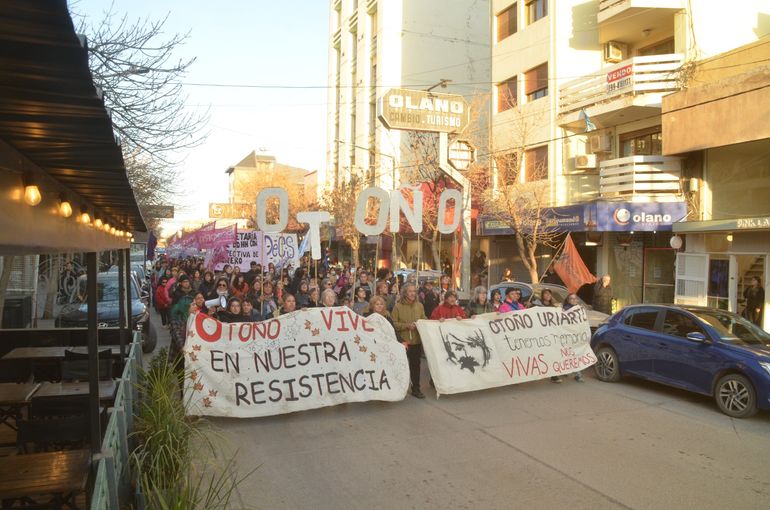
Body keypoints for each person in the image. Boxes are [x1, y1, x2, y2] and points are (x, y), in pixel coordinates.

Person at [392, 282, 427, 399]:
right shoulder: (398, 306)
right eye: (410, 291)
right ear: (405, 293)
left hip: (416, 341)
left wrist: (422, 323)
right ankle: (398, 388)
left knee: (415, 366)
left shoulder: (419, 306)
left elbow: (424, 319)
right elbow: (393, 323)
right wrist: (406, 326)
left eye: (414, 291)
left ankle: (416, 388)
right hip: (402, 341)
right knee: (400, 366)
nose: (412, 293)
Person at [553, 293, 584, 384]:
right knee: (564, 354)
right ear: (568, 300)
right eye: (571, 299)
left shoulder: (579, 310)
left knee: (576, 354)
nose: (574, 300)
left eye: (575, 298)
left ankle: (578, 374)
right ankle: (558, 373)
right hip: (565, 337)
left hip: (575, 336)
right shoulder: (564, 310)